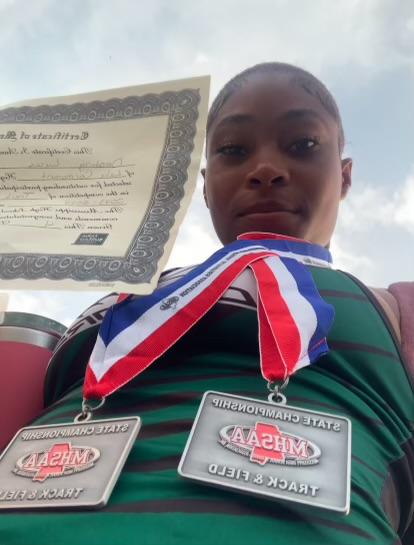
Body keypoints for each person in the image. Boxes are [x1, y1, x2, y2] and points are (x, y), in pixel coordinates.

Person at [1, 63, 413, 545]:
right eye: (233, 150)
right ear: (204, 182)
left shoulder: (397, 307)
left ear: (343, 177)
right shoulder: (125, 290)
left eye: (302, 144)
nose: (265, 169)